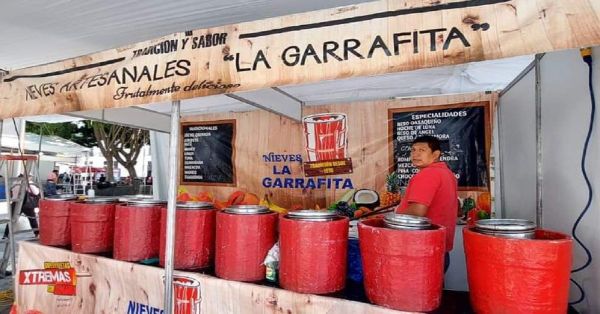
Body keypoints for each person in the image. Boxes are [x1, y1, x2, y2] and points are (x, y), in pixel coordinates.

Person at [395, 135, 458, 273]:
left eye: (422, 150)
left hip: (421, 248)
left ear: (435, 154)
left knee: (415, 292)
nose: (415, 154)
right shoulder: (447, 174)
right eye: (413, 150)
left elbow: (417, 212)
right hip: (438, 247)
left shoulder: (427, 174)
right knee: (433, 290)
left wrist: (390, 219)